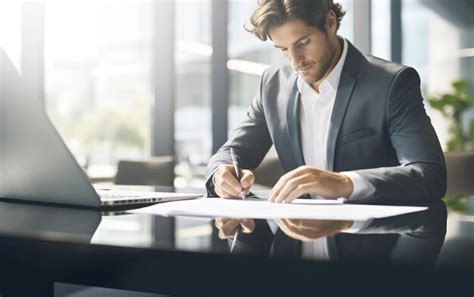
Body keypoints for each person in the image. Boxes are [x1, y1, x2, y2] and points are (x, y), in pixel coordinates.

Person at [206, 0, 446, 206]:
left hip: (370, 247)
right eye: (283, 49)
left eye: (303, 43)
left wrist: (343, 183)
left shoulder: (391, 83)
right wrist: (221, 174)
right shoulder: (273, 84)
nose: (295, 61)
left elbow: (429, 175)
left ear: (330, 22)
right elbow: (230, 153)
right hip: (293, 245)